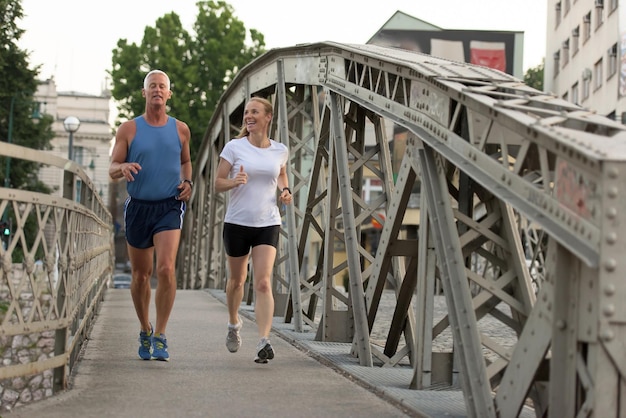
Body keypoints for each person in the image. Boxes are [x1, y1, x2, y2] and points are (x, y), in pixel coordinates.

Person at [109, 69, 192, 362]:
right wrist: (124, 167)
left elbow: (186, 161)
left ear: (169, 94)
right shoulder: (128, 129)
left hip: (169, 205)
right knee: (140, 276)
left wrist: (189, 182)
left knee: (166, 269)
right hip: (138, 207)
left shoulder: (181, 129)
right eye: (152, 86)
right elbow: (112, 168)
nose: (157, 90)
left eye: (162, 87)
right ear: (144, 93)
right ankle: (145, 328)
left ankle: (161, 335)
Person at [215, 96, 292, 363]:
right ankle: (234, 324)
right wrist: (233, 181)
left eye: (254, 112)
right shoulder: (234, 147)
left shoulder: (280, 149)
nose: (249, 116)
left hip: (267, 222)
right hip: (237, 222)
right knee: (237, 281)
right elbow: (216, 183)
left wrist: (285, 190)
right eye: (247, 112)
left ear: (268, 117)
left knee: (262, 282)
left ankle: (263, 341)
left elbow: (281, 174)